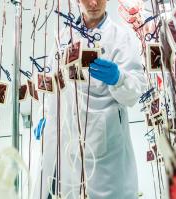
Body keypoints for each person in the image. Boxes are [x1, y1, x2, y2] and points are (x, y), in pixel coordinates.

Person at [40, 0, 147, 198]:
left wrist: (119, 78)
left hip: (107, 145)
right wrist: (47, 115)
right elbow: (53, 82)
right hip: (70, 143)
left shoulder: (121, 37)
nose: (94, 3)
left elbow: (136, 88)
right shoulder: (64, 37)